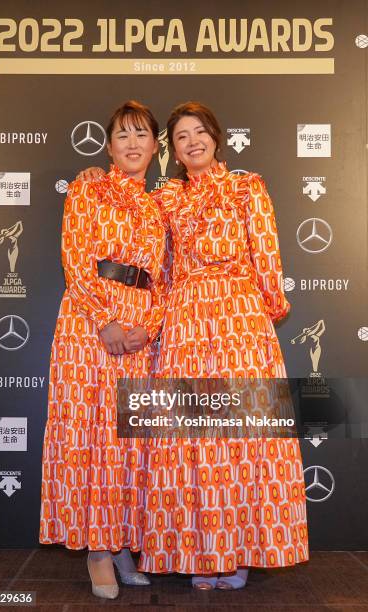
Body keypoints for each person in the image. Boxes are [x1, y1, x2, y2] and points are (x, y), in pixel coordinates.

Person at [77, 101, 309, 591]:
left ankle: (242, 553)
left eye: (200, 132)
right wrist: (96, 176)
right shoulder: (167, 199)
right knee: (194, 441)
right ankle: (205, 555)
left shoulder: (249, 187)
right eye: (181, 137)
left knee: (245, 435)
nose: (192, 141)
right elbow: (132, 222)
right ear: (174, 151)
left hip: (240, 318)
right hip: (184, 324)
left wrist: (262, 315)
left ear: (217, 138)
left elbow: (267, 256)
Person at [39, 101, 167, 600]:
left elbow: (165, 280)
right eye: (122, 136)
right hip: (89, 325)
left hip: (138, 333)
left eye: (141, 135)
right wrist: (106, 321)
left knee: (128, 443)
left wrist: (147, 329)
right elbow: (75, 256)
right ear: (109, 146)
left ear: (156, 146)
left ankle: (118, 544)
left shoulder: (159, 207)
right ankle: (96, 551)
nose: (132, 144)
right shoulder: (89, 185)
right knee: (90, 435)